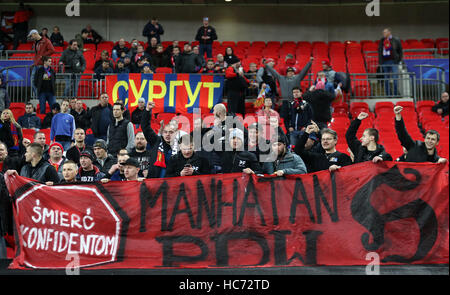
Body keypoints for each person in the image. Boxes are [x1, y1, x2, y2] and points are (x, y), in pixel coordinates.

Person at [265, 58, 314, 127]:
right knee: (285, 118)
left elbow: (304, 71)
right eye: (289, 72)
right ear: (286, 73)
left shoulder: (298, 77)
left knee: (295, 117)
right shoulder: (281, 78)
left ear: (294, 72)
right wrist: (266, 65)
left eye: (292, 72)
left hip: (295, 101)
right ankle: (287, 131)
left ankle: (295, 129)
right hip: (285, 101)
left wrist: (309, 63)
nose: (290, 73)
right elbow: (274, 72)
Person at [141, 101, 177, 178]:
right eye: (165, 132)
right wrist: (147, 110)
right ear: (162, 133)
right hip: (154, 181)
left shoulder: (180, 146)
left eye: (171, 132)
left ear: (175, 133)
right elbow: (145, 127)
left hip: (171, 183)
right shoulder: (156, 141)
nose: (167, 134)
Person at [28, 29, 55, 96]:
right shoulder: (36, 42)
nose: (31, 38)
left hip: (41, 65)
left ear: (35, 34)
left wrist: (42, 56)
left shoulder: (46, 41)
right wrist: (35, 61)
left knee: (38, 82)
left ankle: (39, 96)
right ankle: (38, 95)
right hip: (37, 64)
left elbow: (52, 50)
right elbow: (37, 54)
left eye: (31, 36)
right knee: (33, 81)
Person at [378, 28, 403, 96]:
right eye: (383, 33)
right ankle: (388, 94)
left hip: (393, 61)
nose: (383, 34)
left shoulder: (396, 40)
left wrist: (398, 60)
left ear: (389, 32)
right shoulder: (382, 40)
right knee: (386, 78)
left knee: (395, 78)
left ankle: (395, 94)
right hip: (384, 62)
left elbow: (400, 51)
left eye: (385, 32)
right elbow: (380, 51)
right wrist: (380, 61)